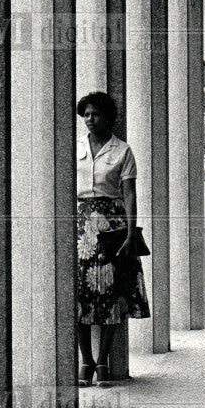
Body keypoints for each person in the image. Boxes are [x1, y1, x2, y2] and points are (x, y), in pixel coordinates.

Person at [76, 91, 150, 388]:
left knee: (111, 291)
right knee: (79, 294)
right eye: (87, 115)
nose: (91, 120)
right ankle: (85, 361)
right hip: (80, 224)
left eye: (96, 114)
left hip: (112, 224)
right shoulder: (75, 146)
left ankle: (103, 360)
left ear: (109, 117)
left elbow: (129, 193)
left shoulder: (123, 151)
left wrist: (131, 231)